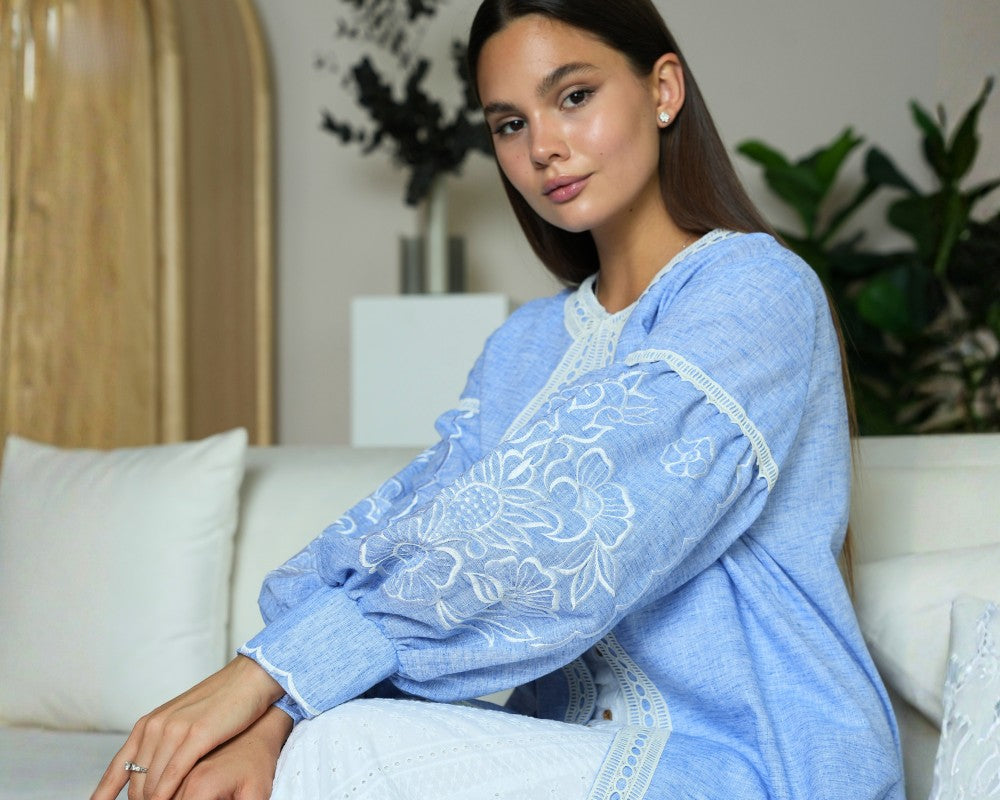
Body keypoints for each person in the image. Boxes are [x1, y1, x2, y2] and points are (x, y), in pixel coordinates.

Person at [92, 1, 905, 798]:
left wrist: (274, 674)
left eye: (574, 96)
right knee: (261, 762)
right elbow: (422, 524)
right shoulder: (525, 346)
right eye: (509, 123)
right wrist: (272, 716)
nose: (544, 147)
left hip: (761, 767)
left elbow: (554, 529)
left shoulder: (757, 292)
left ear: (663, 90)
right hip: (573, 757)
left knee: (349, 751)